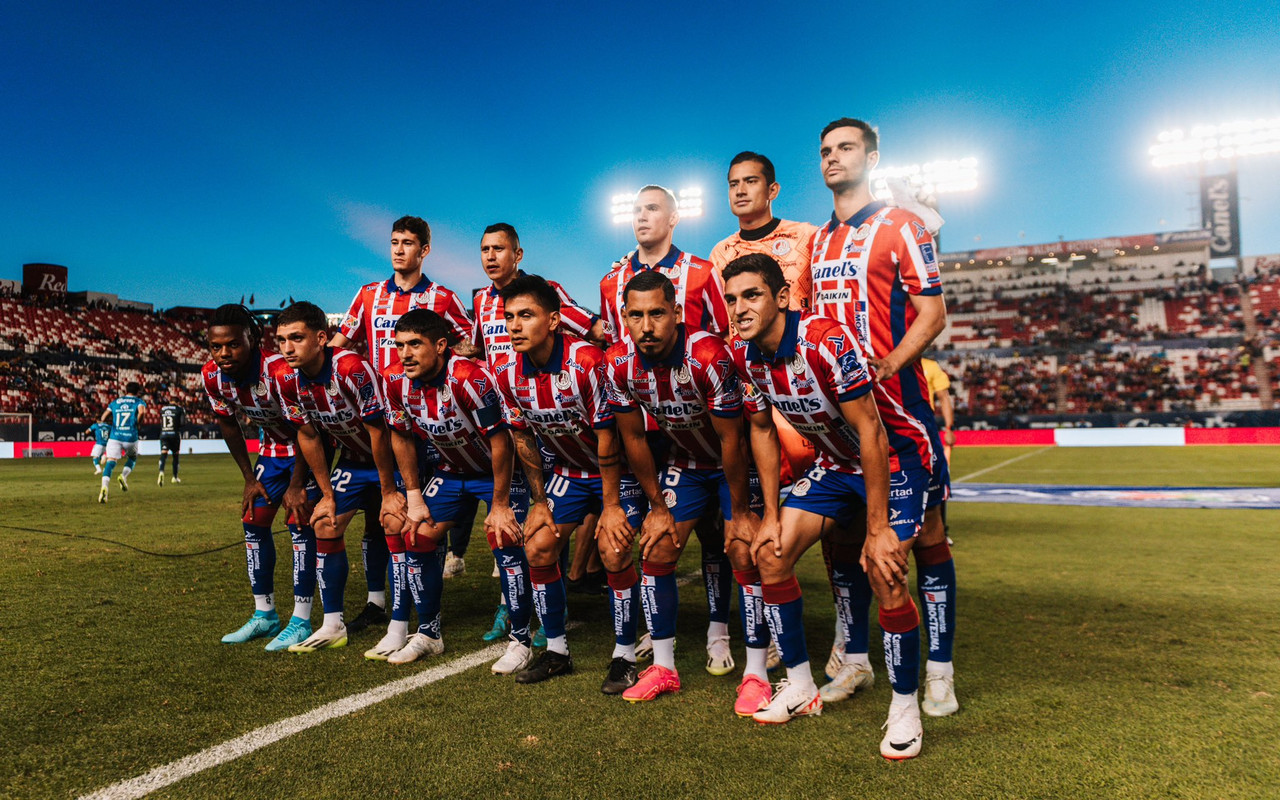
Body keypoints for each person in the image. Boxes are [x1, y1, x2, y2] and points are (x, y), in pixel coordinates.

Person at [723, 253, 925, 760]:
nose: (739, 309)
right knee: (770, 553)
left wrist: (877, 526)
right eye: (731, 299)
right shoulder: (745, 356)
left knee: (885, 571)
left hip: (895, 460)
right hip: (837, 466)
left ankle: (906, 707)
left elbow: (872, 430)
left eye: (752, 295)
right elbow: (762, 430)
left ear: (782, 297)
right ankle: (798, 687)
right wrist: (770, 513)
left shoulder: (825, 340)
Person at [809, 117, 958, 721]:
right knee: (845, 541)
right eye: (825, 151)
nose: (833, 158)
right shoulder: (818, 242)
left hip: (903, 417)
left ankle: (940, 673)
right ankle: (856, 660)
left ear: (871, 158)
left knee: (924, 540)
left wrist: (888, 362)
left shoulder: (901, 225)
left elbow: (933, 311)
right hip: (843, 426)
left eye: (846, 148)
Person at [600, 270, 766, 711]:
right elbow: (633, 440)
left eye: (657, 313)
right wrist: (656, 506)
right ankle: (664, 667)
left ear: (676, 312)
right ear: (624, 317)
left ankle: (756, 672)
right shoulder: (618, 362)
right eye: (635, 315)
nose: (647, 326)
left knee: (745, 549)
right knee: (656, 547)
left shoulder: (708, 355)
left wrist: (740, 511)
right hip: (687, 466)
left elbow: (733, 440)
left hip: (736, 465)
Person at [598, 184, 735, 669]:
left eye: (652, 208)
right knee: (651, 532)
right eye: (635, 209)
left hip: (705, 418)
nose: (641, 217)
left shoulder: (700, 272)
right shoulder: (612, 279)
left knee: (722, 532)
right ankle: (646, 637)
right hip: (646, 429)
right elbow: (616, 349)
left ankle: (722, 629)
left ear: (674, 217)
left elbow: (727, 339)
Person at [491, 274, 645, 686]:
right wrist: (539, 502)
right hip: (569, 474)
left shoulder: (587, 362)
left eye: (526, 315)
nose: (515, 326)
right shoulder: (506, 371)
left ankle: (625, 655)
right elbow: (522, 437)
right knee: (538, 547)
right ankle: (556, 651)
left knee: (614, 553)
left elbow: (608, 436)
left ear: (555, 320)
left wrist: (611, 507)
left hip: (618, 473)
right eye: (509, 317)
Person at [329, 215, 475, 636]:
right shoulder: (369, 295)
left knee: (418, 514)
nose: (398, 249)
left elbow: (467, 346)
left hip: (421, 425)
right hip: (374, 422)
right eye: (394, 241)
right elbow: (343, 343)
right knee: (377, 517)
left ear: (424, 250)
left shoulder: (442, 298)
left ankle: (419, 605)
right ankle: (379, 602)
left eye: (408, 242)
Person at [470, 222, 607, 636]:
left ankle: (552, 605)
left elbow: (592, 327)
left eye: (499, 249)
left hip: (549, 416)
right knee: (513, 518)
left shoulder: (547, 290)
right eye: (485, 250)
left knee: (544, 514)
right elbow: (477, 346)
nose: (491, 257)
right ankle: (512, 606)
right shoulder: (480, 301)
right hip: (504, 416)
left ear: (518, 254)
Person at [383, 309, 531, 673]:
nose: (405, 354)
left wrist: (499, 504)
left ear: (441, 345)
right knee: (415, 534)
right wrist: (413, 495)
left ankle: (522, 639)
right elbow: (400, 435)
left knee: (504, 535)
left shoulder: (468, 377)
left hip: (498, 472)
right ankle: (430, 633)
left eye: (415, 344)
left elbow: (502, 442)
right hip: (450, 472)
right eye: (400, 345)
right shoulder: (396, 381)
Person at [273, 301, 408, 656]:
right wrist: (327, 493)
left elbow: (378, 429)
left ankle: (400, 623)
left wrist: (390, 489)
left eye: (296, 338)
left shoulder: (351, 367)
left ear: (321, 338)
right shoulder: (288, 380)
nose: (288, 347)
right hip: (350, 461)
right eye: (281, 340)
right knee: (324, 523)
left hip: (393, 460)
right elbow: (308, 435)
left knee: (394, 523)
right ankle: (333, 624)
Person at [201, 304, 320, 650]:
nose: (224, 353)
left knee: (300, 524)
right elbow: (227, 422)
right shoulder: (212, 375)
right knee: (253, 521)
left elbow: (311, 432)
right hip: (271, 453)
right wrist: (248, 477)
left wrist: (298, 484)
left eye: (233, 344)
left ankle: (301, 618)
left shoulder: (280, 372)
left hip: (308, 452)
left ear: (252, 339)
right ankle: (265, 615)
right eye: (216, 346)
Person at [709, 151, 817, 311]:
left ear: (772, 190)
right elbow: (720, 323)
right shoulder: (720, 253)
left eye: (750, 181)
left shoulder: (806, 236)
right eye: (733, 184)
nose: (740, 191)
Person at [920, 356, 956, 542]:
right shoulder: (891, 362)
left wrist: (949, 428)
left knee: (937, 477)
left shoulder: (931, 366)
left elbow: (944, 397)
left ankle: (941, 531)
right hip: (895, 427)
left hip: (925, 428)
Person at [96, 382, 146, 503]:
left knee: (110, 462)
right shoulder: (139, 402)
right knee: (132, 459)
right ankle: (123, 476)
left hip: (115, 437)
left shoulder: (115, 402)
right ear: (138, 391)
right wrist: (137, 423)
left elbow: (103, 417)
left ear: (125, 390)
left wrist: (110, 422)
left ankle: (104, 488)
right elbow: (142, 412)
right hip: (130, 437)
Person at [156, 399, 186, 485]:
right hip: (174, 434)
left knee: (163, 454)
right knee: (175, 456)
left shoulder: (163, 409)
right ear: (177, 402)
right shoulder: (179, 409)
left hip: (164, 433)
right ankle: (174, 477)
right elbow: (183, 423)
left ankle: (161, 472)